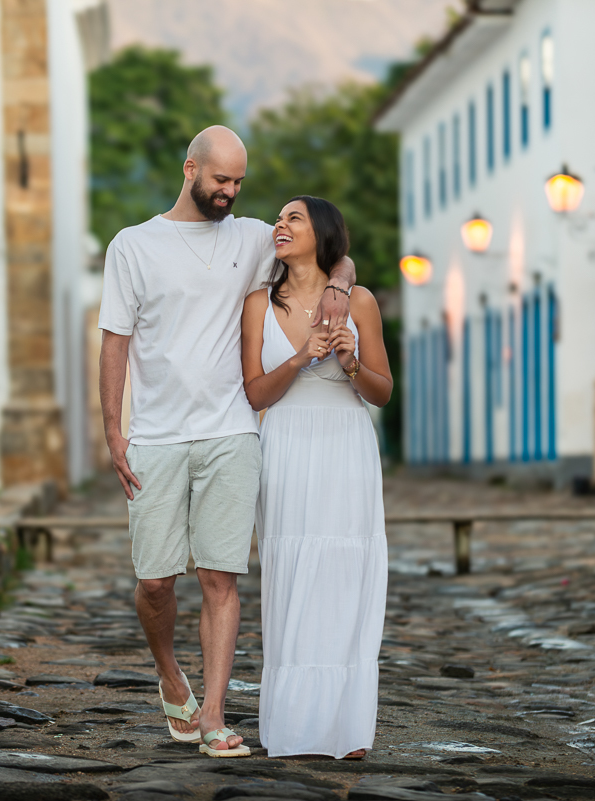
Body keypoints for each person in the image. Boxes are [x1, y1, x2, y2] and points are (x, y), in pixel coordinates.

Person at [97, 127, 356, 757]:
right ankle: (170, 675)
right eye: (221, 180)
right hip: (157, 435)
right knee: (156, 582)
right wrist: (113, 430)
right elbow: (115, 342)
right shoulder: (134, 245)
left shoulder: (251, 238)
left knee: (220, 577)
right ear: (191, 169)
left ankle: (213, 714)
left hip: (233, 431)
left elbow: (333, 250)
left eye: (239, 182)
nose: (231, 193)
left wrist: (339, 286)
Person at [241, 196, 392, 760]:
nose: (280, 225)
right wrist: (302, 356)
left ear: (322, 233)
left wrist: (351, 364)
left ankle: (345, 726)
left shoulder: (361, 302)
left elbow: (382, 390)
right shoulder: (257, 304)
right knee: (291, 575)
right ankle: (295, 724)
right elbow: (255, 393)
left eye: (293, 218)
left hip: (346, 445)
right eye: (279, 219)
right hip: (284, 445)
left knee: (345, 575)